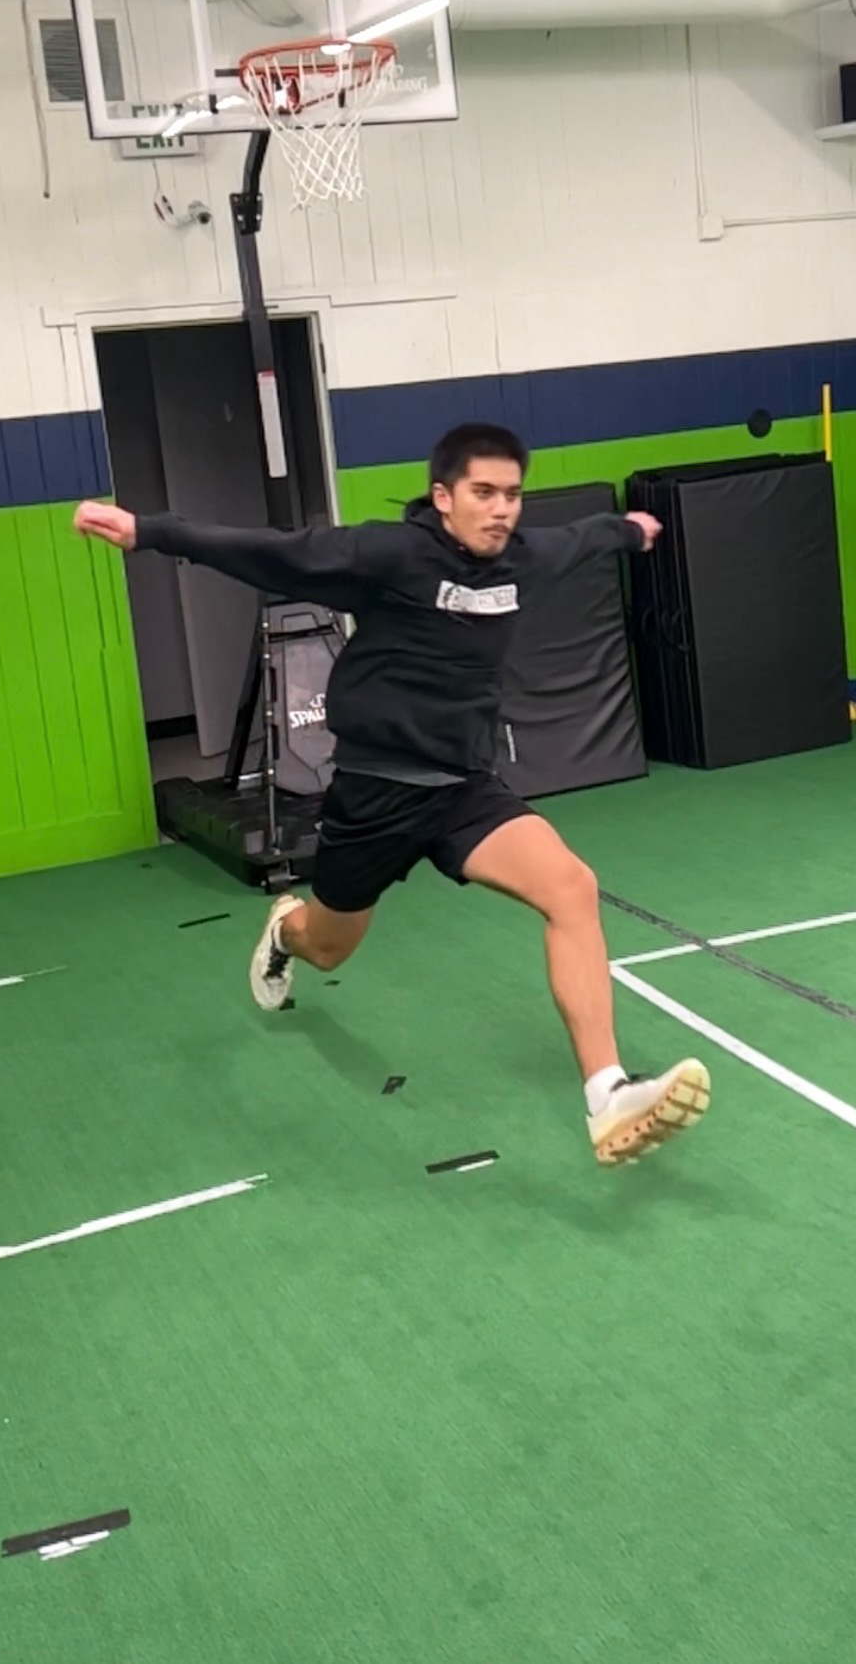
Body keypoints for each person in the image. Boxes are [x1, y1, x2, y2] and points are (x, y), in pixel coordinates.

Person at [75, 422, 709, 1166]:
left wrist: (630, 531)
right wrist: (150, 532)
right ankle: (284, 931)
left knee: (571, 888)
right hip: (374, 795)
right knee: (327, 947)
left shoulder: (521, 560)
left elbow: (579, 539)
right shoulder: (388, 556)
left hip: (465, 791)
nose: (500, 509)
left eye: (511, 495)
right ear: (443, 496)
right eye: (482, 492)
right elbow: (271, 551)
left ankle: (607, 1096)